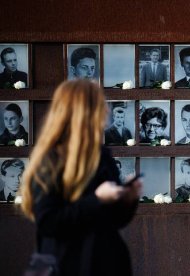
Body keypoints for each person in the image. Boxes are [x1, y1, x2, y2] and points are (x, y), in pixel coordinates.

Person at [20, 80, 141, 276]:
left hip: (107, 264)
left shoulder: (102, 155)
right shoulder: (51, 160)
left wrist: (128, 198)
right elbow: (48, 221)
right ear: (84, 111)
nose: (107, 111)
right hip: (67, 265)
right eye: (101, 104)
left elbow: (115, 221)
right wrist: (97, 199)